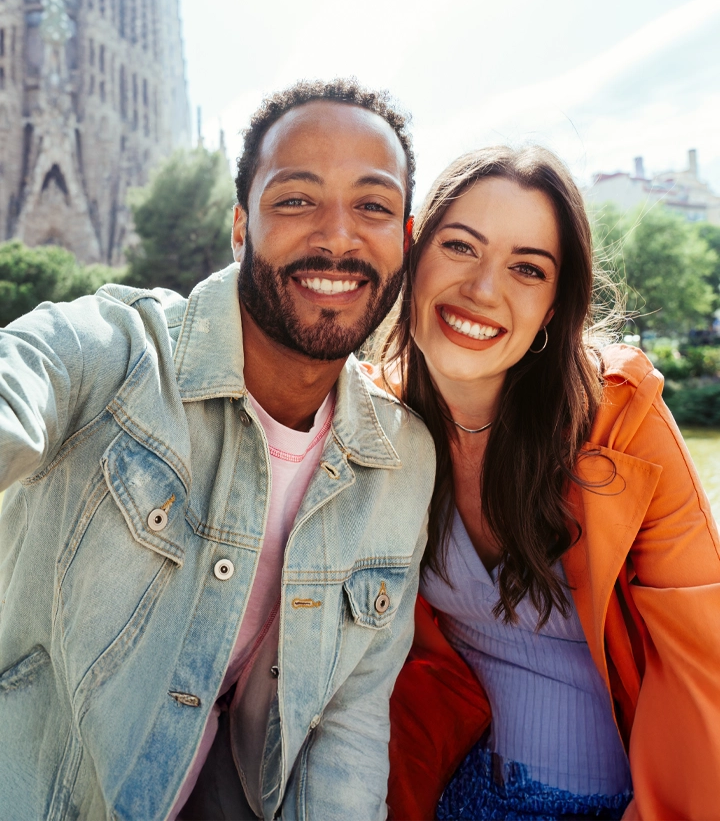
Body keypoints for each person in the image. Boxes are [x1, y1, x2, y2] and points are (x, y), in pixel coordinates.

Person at [0, 79, 435, 821]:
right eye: (296, 199)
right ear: (240, 227)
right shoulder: (116, 354)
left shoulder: (401, 458)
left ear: (406, 235)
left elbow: (348, 730)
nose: (337, 235)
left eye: (373, 205)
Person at [379, 146, 720, 821]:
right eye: (460, 247)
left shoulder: (621, 418)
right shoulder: (372, 427)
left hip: (619, 802)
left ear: (553, 306)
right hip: (454, 793)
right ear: (411, 254)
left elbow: (700, 666)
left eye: (527, 268)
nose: (484, 289)